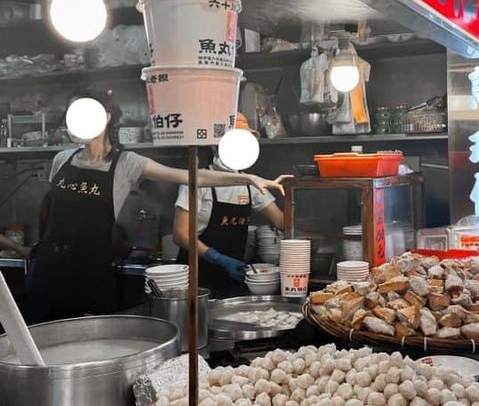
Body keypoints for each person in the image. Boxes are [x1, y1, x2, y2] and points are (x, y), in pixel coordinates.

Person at [26, 92, 288, 324]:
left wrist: (246, 178)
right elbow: (48, 213)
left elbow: (189, 176)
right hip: (49, 273)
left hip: (91, 275)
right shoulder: (62, 160)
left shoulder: (127, 163)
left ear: (104, 116)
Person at [173, 113, 285, 298]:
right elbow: (180, 234)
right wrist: (218, 258)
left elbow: (281, 222)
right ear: (215, 146)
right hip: (198, 278)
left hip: (233, 278)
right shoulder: (196, 180)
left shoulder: (251, 184)